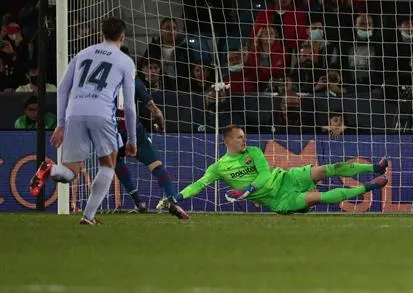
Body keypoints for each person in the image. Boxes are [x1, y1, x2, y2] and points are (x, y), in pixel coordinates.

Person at [30, 18, 138, 225]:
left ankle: (49, 169)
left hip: (74, 112)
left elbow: (62, 88)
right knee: (108, 164)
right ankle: (88, 216)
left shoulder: (82, 54)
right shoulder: (125, 61)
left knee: (70, 172)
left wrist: (61, 123)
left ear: (101, 34)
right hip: (102, 112)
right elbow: (130, 105)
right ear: (123, 37)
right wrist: (132, 139)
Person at [166, 125, 388, 214]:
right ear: (228, 141)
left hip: (287, 179)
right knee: (318, 197)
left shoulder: (253, 152)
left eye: (244, 137)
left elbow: (263, 174)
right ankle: (367, 187)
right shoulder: (218, 167)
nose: (244, 140)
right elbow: (200, 183)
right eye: (240, 138)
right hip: (278, 201)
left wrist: (249, 190)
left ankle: (374, 168)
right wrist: (178, 196)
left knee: (328, 169)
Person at [113, 74, 189, 219]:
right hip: (134, 129)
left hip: (112, 129)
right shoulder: (134, 81)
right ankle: (172, 200)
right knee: (155, 165)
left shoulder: (105, 82)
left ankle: (139, 201)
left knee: (115, 161)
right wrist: (161, 125)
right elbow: (155, 111)